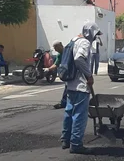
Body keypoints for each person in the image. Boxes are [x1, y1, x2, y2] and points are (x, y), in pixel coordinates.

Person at [60, 22, 98, 154]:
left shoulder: (73, 40)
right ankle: (76, 144)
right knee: (79, 115)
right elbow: (79, 59)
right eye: (95, 34)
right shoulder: (85, 43)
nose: (95, 38)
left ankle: (65, 139)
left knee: (69, 112)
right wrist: (89, 75)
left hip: (70, 84)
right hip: (81, 86)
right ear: (90, 33)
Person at [43, 41, 66, 109]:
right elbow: (56, 64)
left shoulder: (68, 52)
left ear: (60, 46)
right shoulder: (59, 55)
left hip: (73, 73)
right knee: (68, 88)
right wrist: (48, 69)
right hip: (66, 73)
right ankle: (64, 102)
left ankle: (65, 103)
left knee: (70, 88)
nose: (55, 50)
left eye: (56, 47)